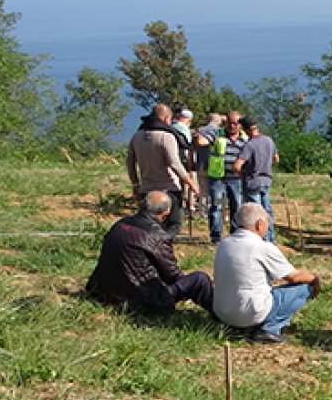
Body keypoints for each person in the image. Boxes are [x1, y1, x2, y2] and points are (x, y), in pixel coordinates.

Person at [85, 191, 214, 315]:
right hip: (144, 299)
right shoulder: (157, 236)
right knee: (199, 279)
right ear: (165, 214)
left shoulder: (120, 224)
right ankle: (220, 314)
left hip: (104, 292)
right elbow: (173, 275)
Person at [212, 203, 321, 344]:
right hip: (248, 313)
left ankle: (241, 326)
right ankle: (268, 330)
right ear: (259, 224)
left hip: (222, 312)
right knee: (303, 289)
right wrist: (314, 279)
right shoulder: (262, 247)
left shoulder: (224, 243)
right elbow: (294, 277)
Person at [126, 104, 198, 237]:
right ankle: (164, 248)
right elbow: (174, 163)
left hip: (146, 188)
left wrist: (135, 184)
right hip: (168, 188)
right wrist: (190, 182)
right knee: (173, 224)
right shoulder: (166, 137)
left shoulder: (137, 136)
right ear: (166, 119)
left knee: (147, 225)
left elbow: (130, 162)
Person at [202, 112, 247, 243]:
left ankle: (235, 234)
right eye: (230, 122)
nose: (232, 126)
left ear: (240, 125)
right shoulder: (217, 134)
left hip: (236, 180)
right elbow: (202, 140)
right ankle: (216, 236)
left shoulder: (245, 138)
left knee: (236, 206)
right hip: (218, 179)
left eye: (235, 123)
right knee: (218, 206)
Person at [233, 117, 278, 242]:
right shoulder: (269, 141)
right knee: (267, 211)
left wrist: (243, 174)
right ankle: (271, 238)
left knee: (255, 213)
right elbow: (276, 159)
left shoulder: (250, 145)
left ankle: (261, 240)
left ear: (246, 130)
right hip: (266, 180)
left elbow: (237, 165)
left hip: (252, 181)